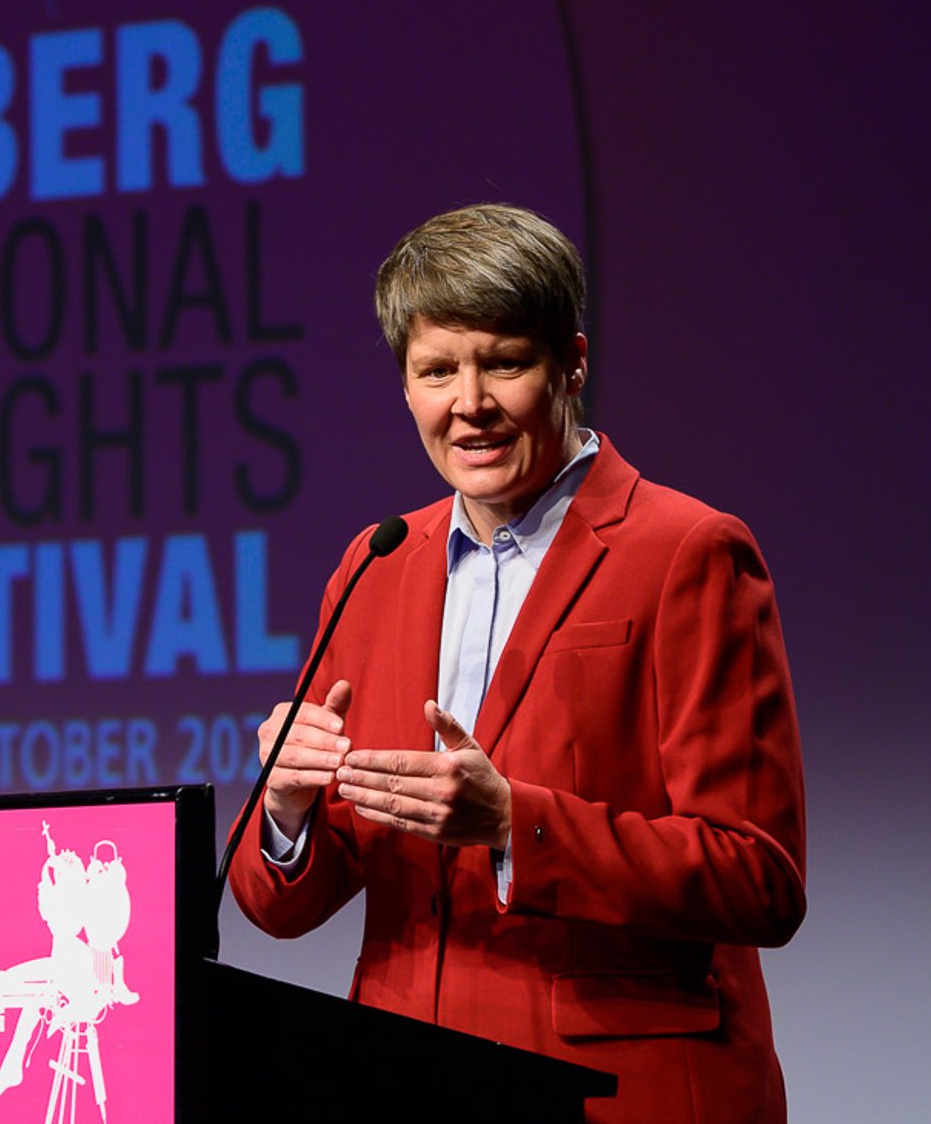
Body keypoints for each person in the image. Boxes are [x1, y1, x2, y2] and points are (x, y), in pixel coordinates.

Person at [228, 204, 806, 1124]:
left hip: (620, 1096)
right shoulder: (375, 563)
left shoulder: (687, 551)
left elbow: (758, 877)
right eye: (435, 372)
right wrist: (288, 810)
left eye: (504, 362)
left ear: (572, 363)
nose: (470, 404)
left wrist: (513, 825)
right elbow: (287, 903)